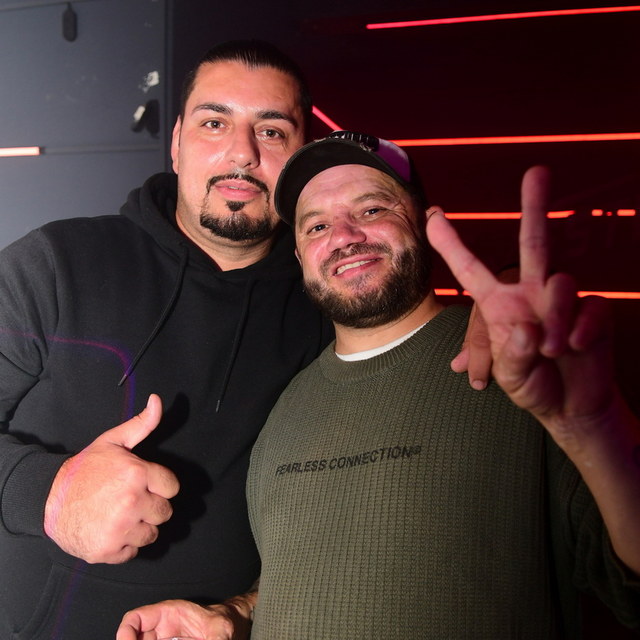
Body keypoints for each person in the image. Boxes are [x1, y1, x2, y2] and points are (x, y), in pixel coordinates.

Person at [118, 132, 640, 639]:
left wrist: (597, 428)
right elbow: (301, 579)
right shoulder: (285, 406)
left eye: (371, 210)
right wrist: (232, 616)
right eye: (316, 226)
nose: (343, 236)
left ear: (426, 223)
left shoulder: (521, 368)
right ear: (299, 256)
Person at [0, 40, 330, 640]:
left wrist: (239, 613)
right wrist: (46, 493)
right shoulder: (57, 264)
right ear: (176, 143)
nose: (242, 152)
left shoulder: (328, 315)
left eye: (272, 131)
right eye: (214, 123)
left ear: (302, 158)